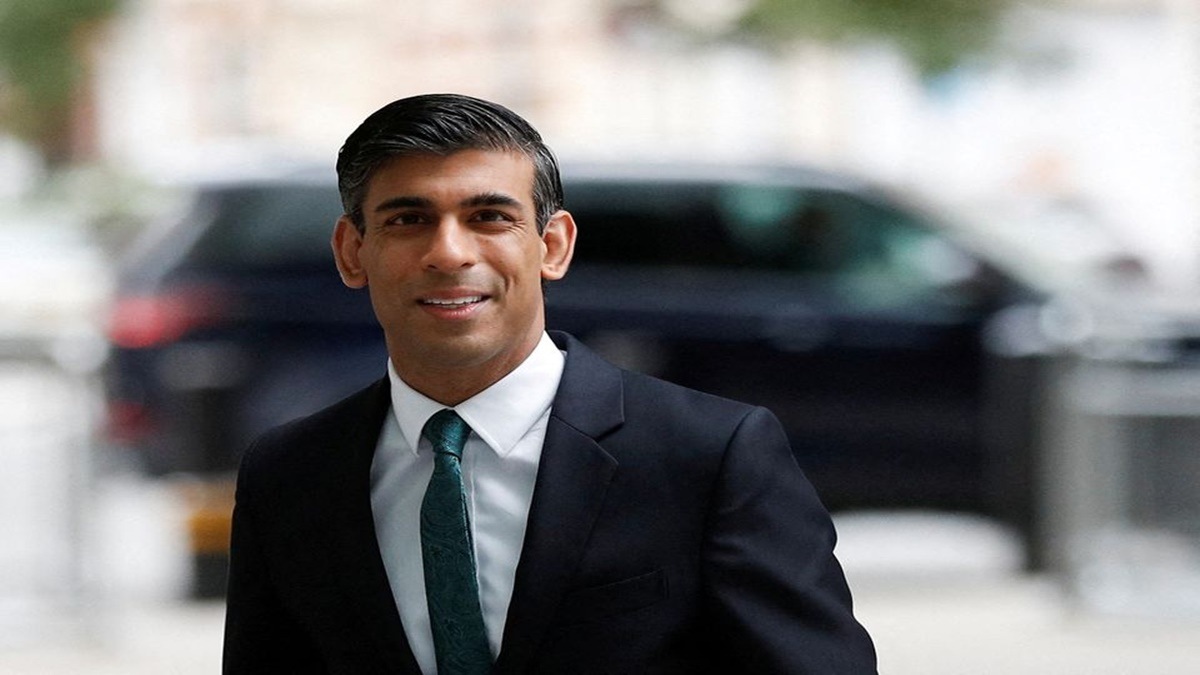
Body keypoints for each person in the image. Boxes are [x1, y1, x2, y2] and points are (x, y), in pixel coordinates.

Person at [222, 93, 877, 674]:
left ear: (554, 245)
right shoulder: (290, 475)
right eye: (408, 219)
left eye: (489, 217)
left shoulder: (708, 454)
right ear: (351, 252)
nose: (449, 252)